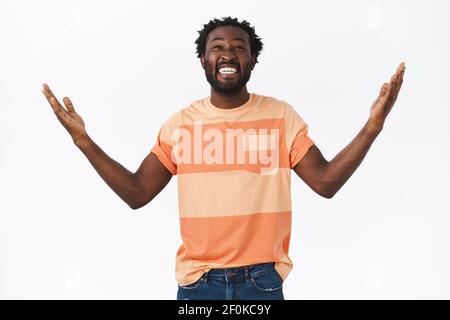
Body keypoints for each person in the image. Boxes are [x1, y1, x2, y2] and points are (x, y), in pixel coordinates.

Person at [41, 17, 405, 300]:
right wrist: (84, 141)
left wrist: (372, 127)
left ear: (252, 59)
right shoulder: (180, 124)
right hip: (198, 284)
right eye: (217, 47)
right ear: (204, 59)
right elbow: (138, 193)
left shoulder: (281, 117)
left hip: (261, 281)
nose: (228, 54)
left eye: (239, 47)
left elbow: (325, 183)